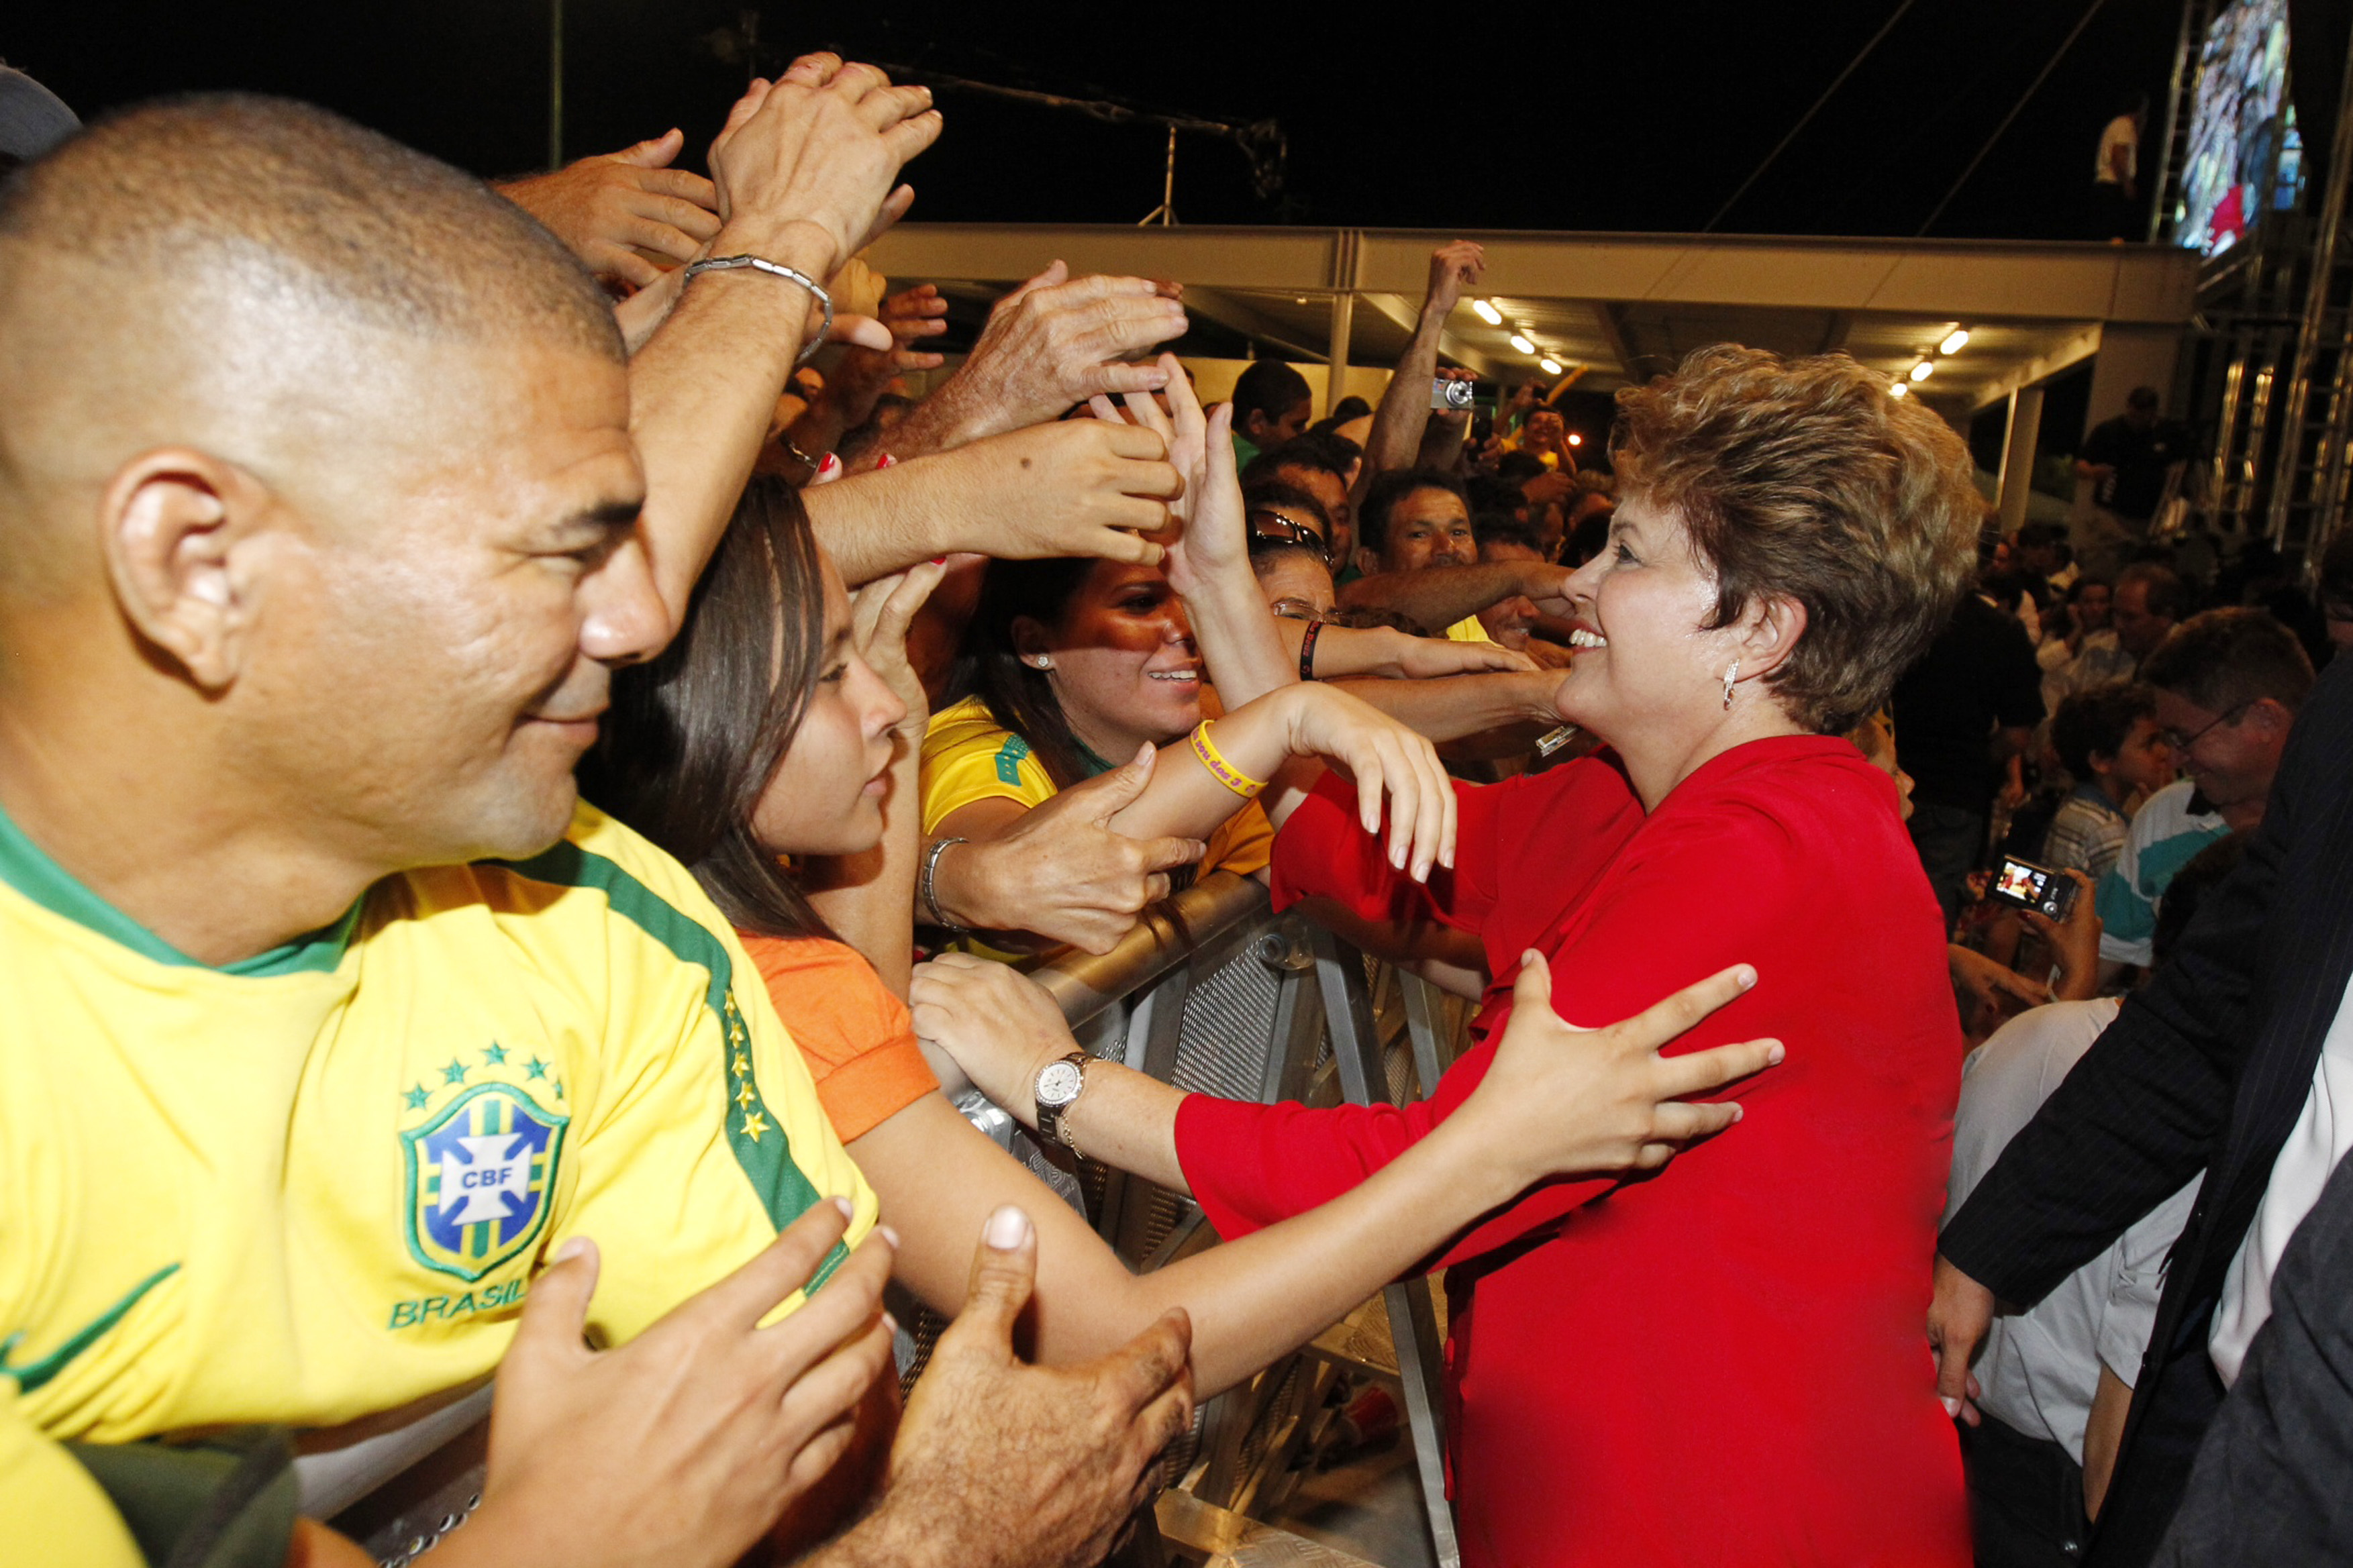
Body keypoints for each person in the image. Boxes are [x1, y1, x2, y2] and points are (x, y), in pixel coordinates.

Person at [0, 81, 1213, 1568]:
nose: (643, 615)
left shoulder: (597, 926)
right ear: (196, 561)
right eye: (558, 550)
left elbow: (818, 1445)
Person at [919, 346, 1986, 1567]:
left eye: (1628, 555)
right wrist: (1216, 576)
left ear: (1757, 628)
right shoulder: (1644, 800)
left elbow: (1427, 1169)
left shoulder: (1762, 852)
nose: (1578, 584)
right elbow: (1338, 835)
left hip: (1724, 1505)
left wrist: (1061, 1083)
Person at [583, 475, 1777, 1419]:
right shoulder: (776, 981)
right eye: (831, 670)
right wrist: (1485, 1153)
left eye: (882, 660)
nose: (895, 703)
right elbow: (1114, 1331)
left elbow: (870, 979)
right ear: (705, 713)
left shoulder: (711, 936)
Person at [1930, 645, 2353, 1567]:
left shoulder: (2032, 1043)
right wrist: (1986, 1247)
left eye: (2184, 737)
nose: (2176, 759)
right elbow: (2217, 1002)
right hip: (2238, 1426)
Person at [1945, 837, 2240, 1566]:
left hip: (1959, 1439)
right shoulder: (2196, 1126)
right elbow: (2111, 1449)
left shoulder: (2031, 1032)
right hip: (2062, 1496)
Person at [2095, 609, 2312, 971]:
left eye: (2184, 738)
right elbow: (2103, 959)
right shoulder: (2167, 815)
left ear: (2265, 720)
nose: (2173, 757)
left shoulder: (2333, 820)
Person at [1891, 532, 2048, 929]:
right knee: (1932, 914)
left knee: (1872, 897)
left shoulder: (1900, 614)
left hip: (1886, 776)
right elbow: (2017, 734)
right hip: (1957, 791)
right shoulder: (2002, 631)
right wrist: (1979, 760)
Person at [2044, 682, 2173, 883]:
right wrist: (2160, 815)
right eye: (2149, 744)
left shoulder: (2080, 806)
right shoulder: (2106, 828)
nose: (2164, 752)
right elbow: (2148, 892)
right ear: (2101, 761)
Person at [2075, 391, 2191, 576]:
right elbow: (2081, 464)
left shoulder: (2165, 435)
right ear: (2129, 408)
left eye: (2144, 414)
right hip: (2111, 513)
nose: (2138, 419)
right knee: (2103, 569)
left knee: (2138, 572)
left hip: (2148, 519)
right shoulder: (2109, 431)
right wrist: (2093, 472)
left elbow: (2181, 467)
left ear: (2153, 413)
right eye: (2135, 413)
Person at [1227, 359, 1313, 467]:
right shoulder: (1254, 469)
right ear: (1257, 422)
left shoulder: (1221, 449)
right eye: (1298, 426)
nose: (1305, 436)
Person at [2091, 98, 2146, 242]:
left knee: (2110, 232)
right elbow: (2119, 153)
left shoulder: (2119, 124)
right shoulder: (2124, 125)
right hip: (2113, 183)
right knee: (2114, 234)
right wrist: (2127, 182)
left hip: (2109, 183)